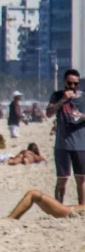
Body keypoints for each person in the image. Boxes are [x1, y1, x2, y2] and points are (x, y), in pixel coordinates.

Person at [47, 69, 85, 205]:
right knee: (62, 179)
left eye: (76, 84)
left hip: (81, 145)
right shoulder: (57, 96)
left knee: (81, 179)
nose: (73, 86)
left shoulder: (83, 97)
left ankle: (82, 207)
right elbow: (49, 113)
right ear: (64, 82)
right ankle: (58, 206)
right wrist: (63, 100)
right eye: (70, 83)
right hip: (62, 145)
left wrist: (81, 117)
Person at [7, 189, 85, 219]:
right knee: (33, 194)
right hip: (71, 210)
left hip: (70, 212)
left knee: (33, 194)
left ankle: (10, 219)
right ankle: (11, 218)